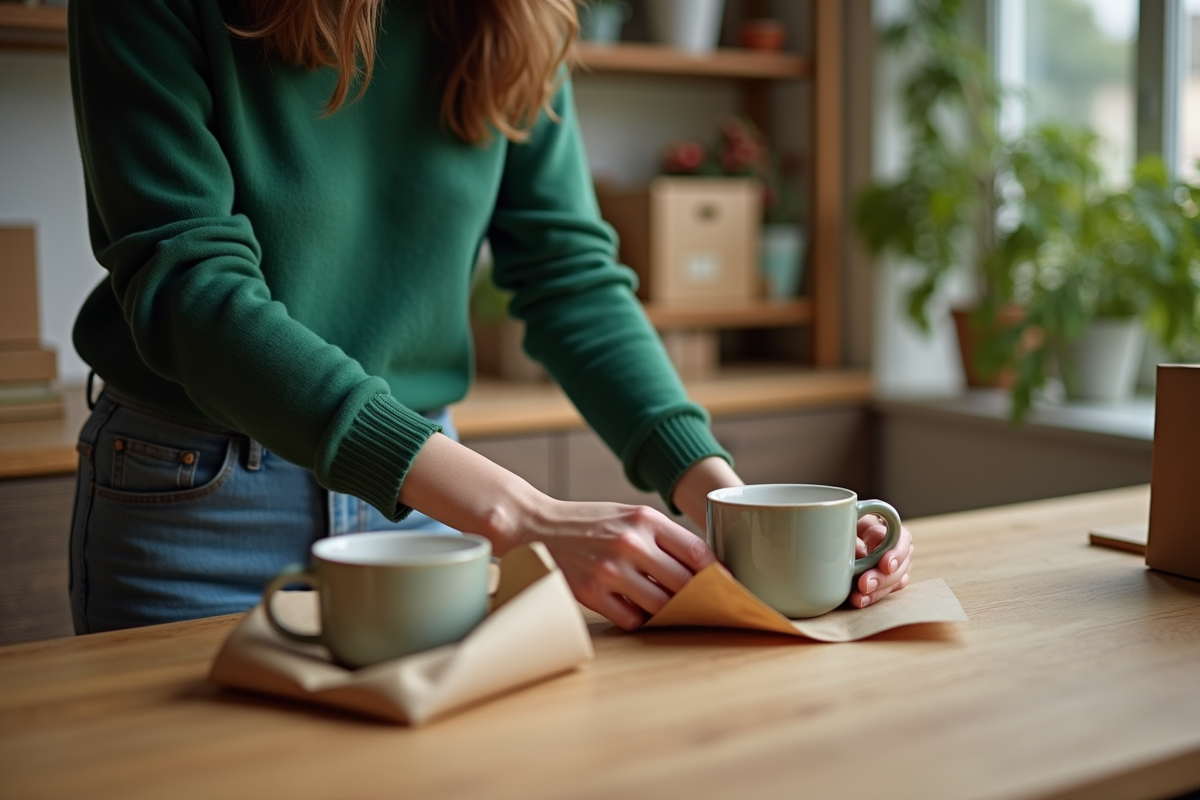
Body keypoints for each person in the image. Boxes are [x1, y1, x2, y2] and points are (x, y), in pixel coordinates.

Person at [66, 0, 912, 635]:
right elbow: (191, 289)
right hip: (203, 501)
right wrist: (519, 516)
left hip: (429, 506)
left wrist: (734, 507)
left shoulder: (518, 15)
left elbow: (568, 276)